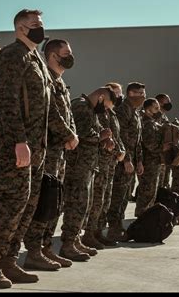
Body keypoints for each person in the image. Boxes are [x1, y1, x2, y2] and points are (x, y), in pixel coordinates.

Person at [0, 9, 51, 289]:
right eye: (34, 25)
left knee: (26, 207)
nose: (39, 29)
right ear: (20, 28)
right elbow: (6, 101)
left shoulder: (36, 59)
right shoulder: (12, 56)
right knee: (11, 206)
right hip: (11, 148)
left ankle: (9, 261)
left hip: (34, 148)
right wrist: (20, 141)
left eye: (41, 24)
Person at [22, 38, 78, 270]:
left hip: (59, 152)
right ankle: (34, 251)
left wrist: (70, 134)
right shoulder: (47, 79)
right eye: (66, 53)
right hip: (46, 151)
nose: (70, 56)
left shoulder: (59, 82)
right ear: (52, 55)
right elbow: (51, 113)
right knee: (44, 201)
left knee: (54, 202)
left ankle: (46, 248)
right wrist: (69, 135)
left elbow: (66, 114)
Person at [59, 87, 116, 261]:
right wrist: (102, 136)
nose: (105, 110)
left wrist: (105, 140)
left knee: (83, 205)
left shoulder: (90, 110)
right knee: (76, 204)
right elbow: (82, 134)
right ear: (100, 97)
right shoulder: (81, 107)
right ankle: (68, 244)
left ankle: (75, 239)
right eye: (106, 105)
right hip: (77, 165)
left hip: (87, 165)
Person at [83, 82, 126, 249]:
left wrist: (121, 151)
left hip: (110, 162)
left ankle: (98, 231)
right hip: (99, 161)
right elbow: (95, 133)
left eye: (119, 94)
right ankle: (89, 232)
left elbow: (117, 136)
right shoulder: (97, 111)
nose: (118, 97)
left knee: (104, 200)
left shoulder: (112, 114)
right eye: (115, 94)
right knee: (96, 200)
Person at [106, 82, 145, 242]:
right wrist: (127, 160)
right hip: (122, 162)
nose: (142, 96)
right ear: (130, 94)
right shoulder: (123, 110)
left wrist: (140, 161)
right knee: (118, 196)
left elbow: (137, 141)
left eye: (143, 93)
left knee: (124, 196)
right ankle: (112, 228)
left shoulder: (135, 112)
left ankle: (118, 226)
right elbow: (120, 137)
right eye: (139, 93)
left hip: (132, 162)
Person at [134, 98, 168, 217]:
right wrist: (162, 149)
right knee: (147, 190)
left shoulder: (154, 123)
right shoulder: (147, 124)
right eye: (156, 108)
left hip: (155, 161)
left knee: (152, 190)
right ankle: (142, 214)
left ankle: (147, 213)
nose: (159, 110)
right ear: (148, 109)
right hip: (149, 162)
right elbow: (149, 144)